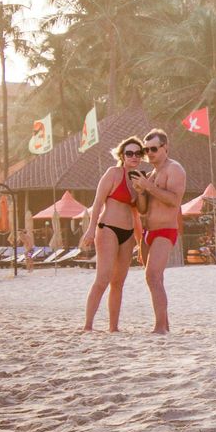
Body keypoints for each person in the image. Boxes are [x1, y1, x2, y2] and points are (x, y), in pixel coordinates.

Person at [80, 136, 145, 332]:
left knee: (119, 282)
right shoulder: (113, 173)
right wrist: (90, 230)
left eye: (138, 153)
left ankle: (113, 327)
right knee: (103, 279)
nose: (134, 156)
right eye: (129, 153)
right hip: (107, 227)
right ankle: (88, 325)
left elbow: (139, 210)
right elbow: (98, 202)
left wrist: (141, 191)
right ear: (122, 156)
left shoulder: (139, 179)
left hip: (128, 233)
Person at [130, 129, 186, 335]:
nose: (149, 153)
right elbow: (143, 210)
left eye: (153, 149)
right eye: (146, 150)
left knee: (153, 275)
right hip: (148, 232)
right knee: (155, 279)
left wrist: (148, 187)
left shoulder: (175, 169)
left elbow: (174, 200)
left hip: (165, 229)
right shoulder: (152, 174)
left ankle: (160, 327)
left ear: (165, 148)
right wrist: (141, 191)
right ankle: (165, 324)